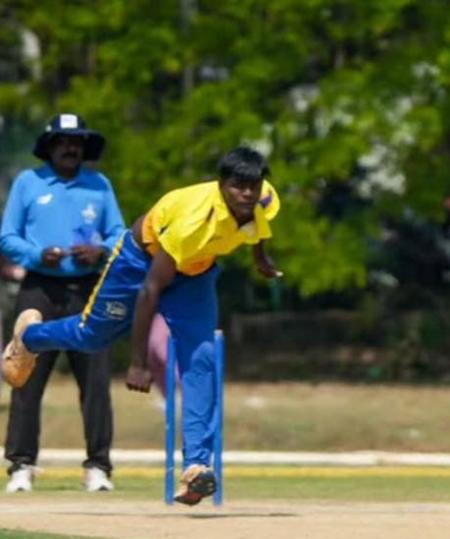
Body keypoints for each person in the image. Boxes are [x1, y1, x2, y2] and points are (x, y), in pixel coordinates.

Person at [2, 146, 282, 505]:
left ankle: (196, 466)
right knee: (91, 336)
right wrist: (139, 362)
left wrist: (261, 257)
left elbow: (259, 228)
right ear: (221, 184)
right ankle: (29, 337)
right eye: (237, 186)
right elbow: (150, 291)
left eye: (253, 185)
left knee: (201, 359)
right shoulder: (193, 222)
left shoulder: (264, 199)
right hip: (139, 264)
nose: (246, 193)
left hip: (195, 274)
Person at [1, 113, 124, 494]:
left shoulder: (99, 185)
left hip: (89, 291)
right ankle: (21, 464)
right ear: (51, 146)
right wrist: (39, 256)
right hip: (39, 289)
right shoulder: (29, 183)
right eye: (64, 141)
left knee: (96, 381)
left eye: (78, 142)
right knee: (26, 377)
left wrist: (100, 250)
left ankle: (98, 467)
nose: (71, 148)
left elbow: (119, 234)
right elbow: (7, 236)